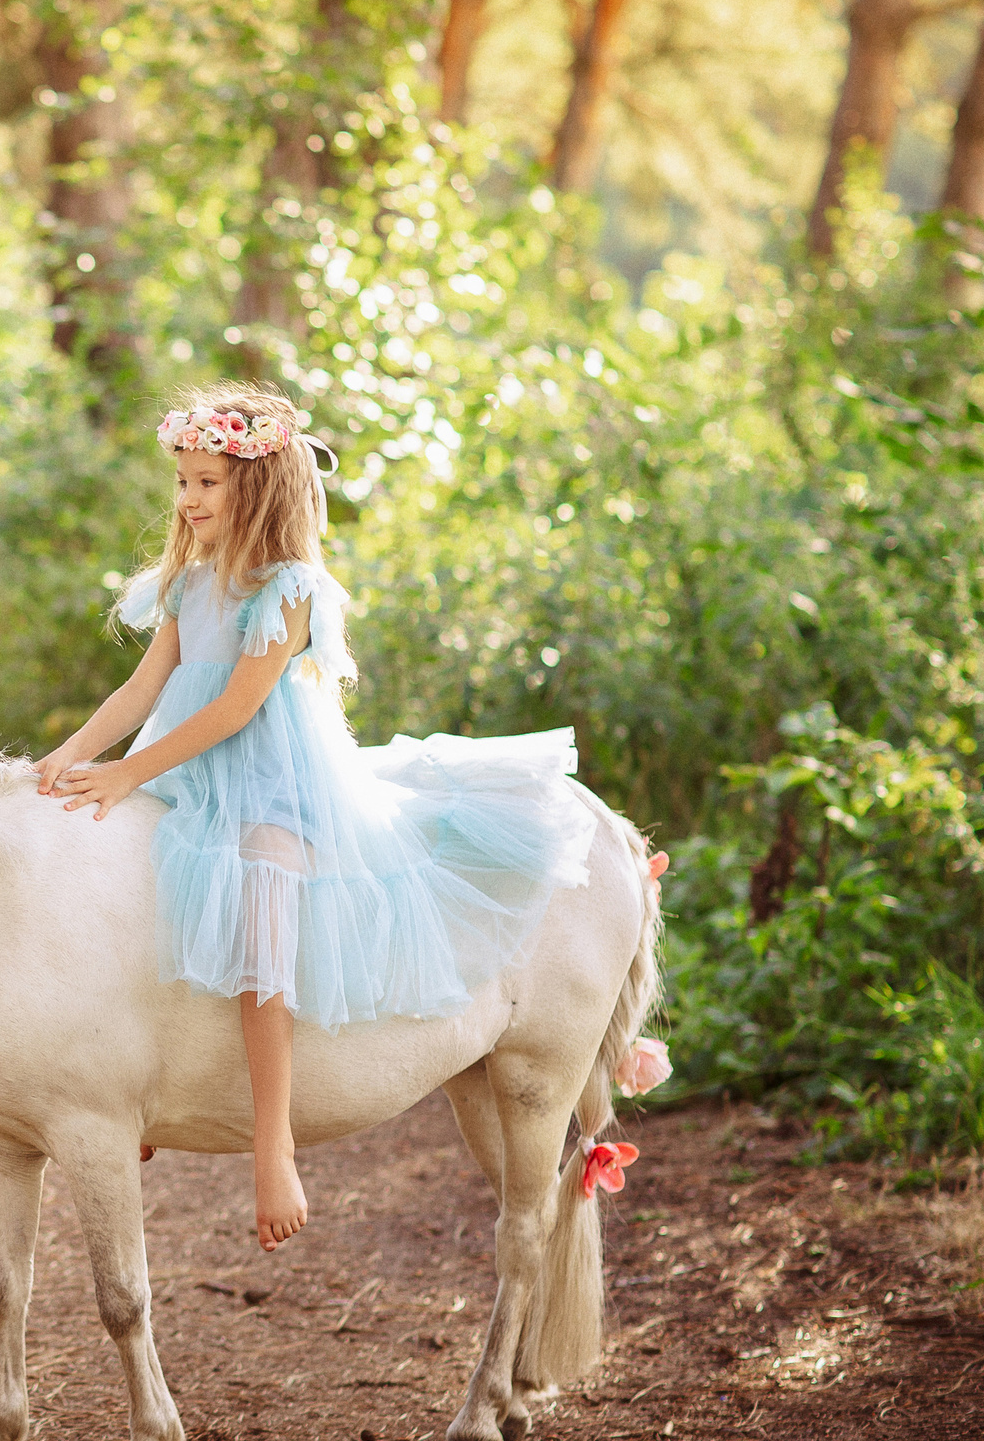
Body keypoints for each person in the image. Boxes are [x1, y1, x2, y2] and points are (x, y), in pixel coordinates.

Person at [37, 384, 594, 1254]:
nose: (188, 499)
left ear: (254, 489)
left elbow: (234, 709)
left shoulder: (289, 587)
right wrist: (73, 756)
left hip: (267, 781)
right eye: (183, 481)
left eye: (208, 482)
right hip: (185, 777)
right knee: (124, 890)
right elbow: (142, 689)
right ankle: (136, 1079)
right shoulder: (189, 581)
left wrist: (128, 770)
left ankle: (274, 1142)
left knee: (260, 937)